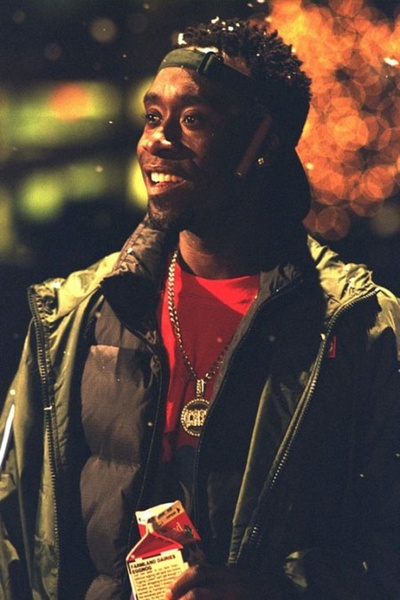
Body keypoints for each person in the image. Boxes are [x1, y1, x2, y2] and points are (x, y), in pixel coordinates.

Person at [0, 15, 399, 600]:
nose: (157, 141)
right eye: (153, 117)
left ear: (264, 145)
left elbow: (386, 549)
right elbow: (12, 533)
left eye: (194, 120)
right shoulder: (75, 315)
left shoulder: (360, 330)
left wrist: (275, 591)